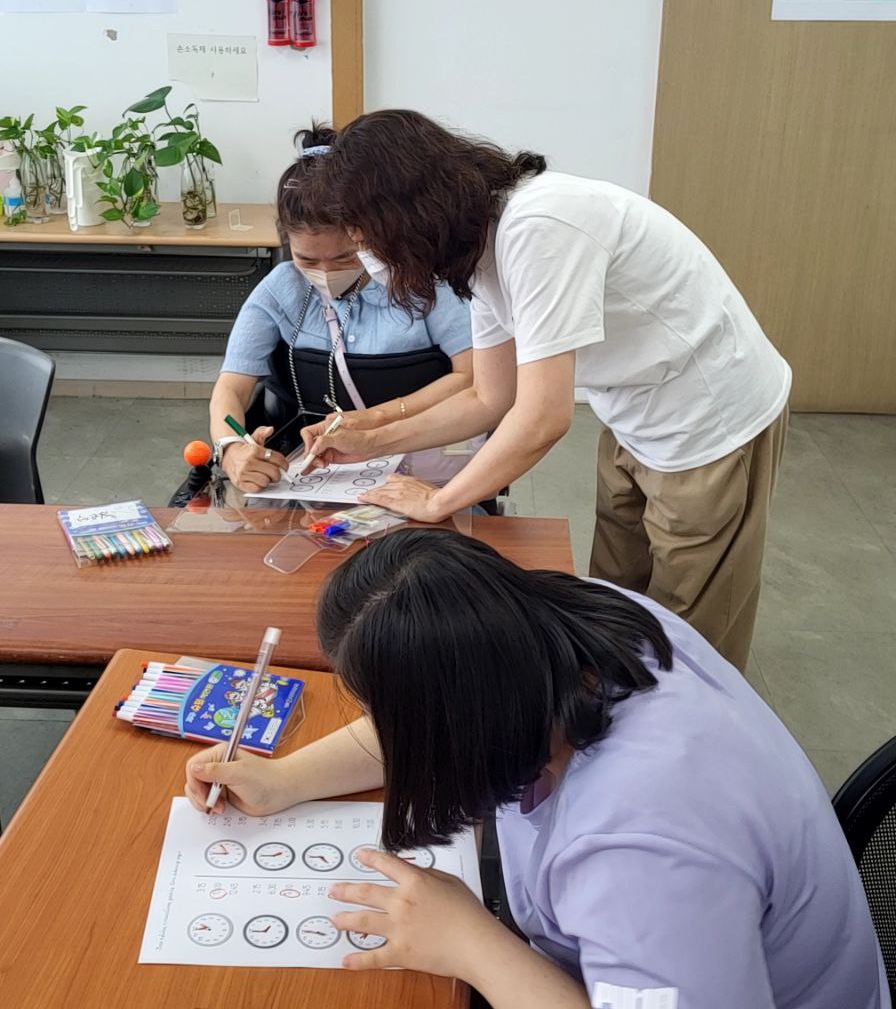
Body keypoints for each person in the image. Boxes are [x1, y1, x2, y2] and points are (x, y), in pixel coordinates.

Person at [184, 530, 888, 1008]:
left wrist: (469, 943)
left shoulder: (641, 848)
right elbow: (436, 710)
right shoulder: (561, 621)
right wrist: (285, 778)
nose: (388, 733)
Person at [298, 109, 792, 669]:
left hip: (710, 417)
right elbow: (491, 397)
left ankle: (693, 741)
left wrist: (439, 500)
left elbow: (541, 417)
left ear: (409, 213)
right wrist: (374, 443)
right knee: (619, 593)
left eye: (367, 238)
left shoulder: (539, 227)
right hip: (633, 407)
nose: (368, 258)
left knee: (689, 626)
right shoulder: (475, 251)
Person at [209, 125, 476, 495]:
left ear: (372, 235)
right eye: (307, 259)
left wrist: (373, 421)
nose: (325, 272)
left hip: (428, 462)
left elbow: (473, 376)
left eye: (344, 257)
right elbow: (231, 388)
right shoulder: (279, 289)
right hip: (319, 468)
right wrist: (231, 448)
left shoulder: (425, 284)